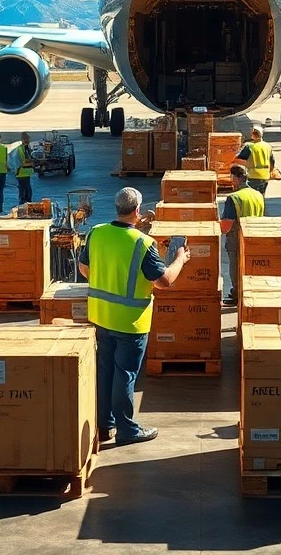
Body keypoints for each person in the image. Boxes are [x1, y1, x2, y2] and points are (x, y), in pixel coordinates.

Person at [78, 187, 191, 446]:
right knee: (125, 374)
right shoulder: (143, 244)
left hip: (100, 316)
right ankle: (127, 429)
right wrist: (180, 259)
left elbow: (85, 268)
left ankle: (105, 425)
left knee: (105, 372)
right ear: (137, 211)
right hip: (130, 321)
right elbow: (164, 281)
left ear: (117, 208)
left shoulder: (96, 233)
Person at [220, 164, 265, 306]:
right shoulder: (258, 195)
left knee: (236, 267)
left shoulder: (234, 198)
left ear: (234, 178)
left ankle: (237, 293)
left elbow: (226, 227)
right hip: (255, 237)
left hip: (237, 238)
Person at [234, 126, 275, 194]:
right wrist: (270, 171)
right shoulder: (267, 146)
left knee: (253, 196)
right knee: (261, 196)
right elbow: (272, 161)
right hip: (265, 176)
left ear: (252, 135)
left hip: (253, 175)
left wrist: (245, 165)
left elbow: (238, 159)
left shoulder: (250, 146)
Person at [15, 132, 34, 203]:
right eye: (27, 139)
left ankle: (25, 202)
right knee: (25, 191)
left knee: (26, 190)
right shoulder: (21, 149)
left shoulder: (27, 148)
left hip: (25, 172)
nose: (28, 140)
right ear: (22, 139)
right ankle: (24, 203)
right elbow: (21, 162)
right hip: (22, 172)